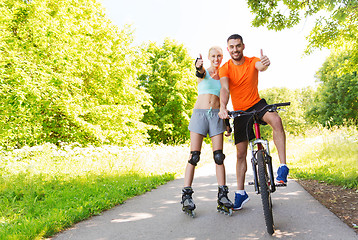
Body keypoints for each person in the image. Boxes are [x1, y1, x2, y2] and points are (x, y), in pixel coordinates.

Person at [218, 34, 289, 211]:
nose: (235, 49)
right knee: (240, 153)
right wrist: (223, 107)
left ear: (243, 46)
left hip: (257, 105)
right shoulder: (225, 68)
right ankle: (241, 193)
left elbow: (261, 66)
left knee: (276, 119)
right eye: (232, 47)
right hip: (241, 111)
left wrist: (265, 63)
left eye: (238, 46)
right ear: (228, 49)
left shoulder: (252, 61)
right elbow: (225, 89)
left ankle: (283, 167)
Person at [181, 46, 234, 215]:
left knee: (219, 157)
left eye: (219, 55)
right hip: (199, 115)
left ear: (222, 56)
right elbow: (200, 73)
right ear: (209, 57)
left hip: (217, 116)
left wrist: (227, 122)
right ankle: (186, 196)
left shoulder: (225, 76)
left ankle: (222, 195)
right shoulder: (204, 72)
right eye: (213, 56)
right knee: (194, 156)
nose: (216, 58)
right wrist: (198, 66)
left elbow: (225, 99)